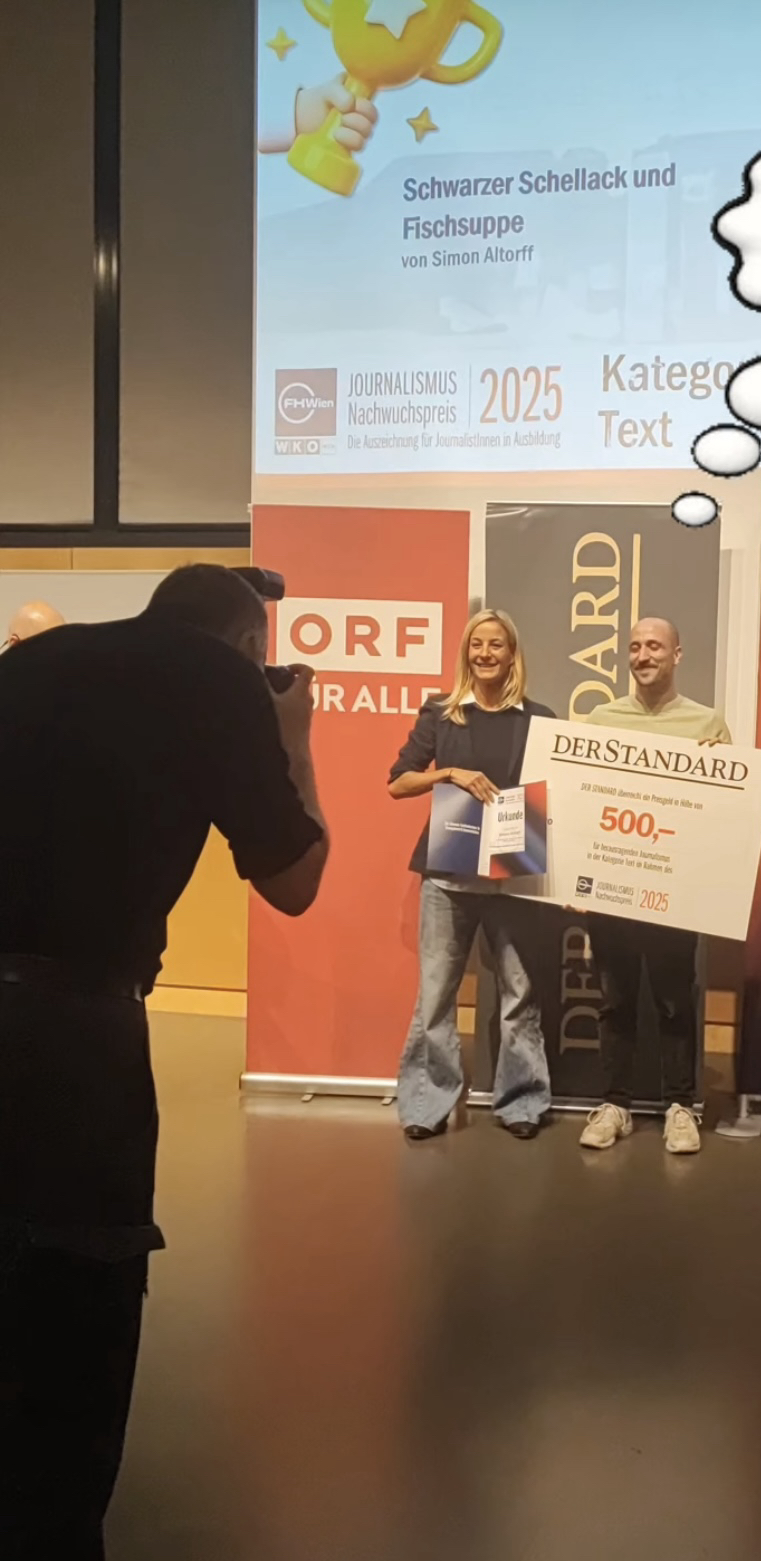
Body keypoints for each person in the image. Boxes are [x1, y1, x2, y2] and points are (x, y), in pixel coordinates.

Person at [0, 565, 328, 1558]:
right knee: (78, 1311)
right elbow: (294, 879)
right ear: (247, 642)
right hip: (77, 1032)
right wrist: (294, 734)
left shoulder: (39, 659)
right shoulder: (220, 681)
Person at [388, 610, 555, 1141]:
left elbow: (561, 793)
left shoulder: (540, 718)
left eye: (496, 644)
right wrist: (449, 773)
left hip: (516, 877)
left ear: (512, 654)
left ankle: (522, 1101)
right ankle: (425, 1105)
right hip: (447, 877)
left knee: (519, 994)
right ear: (466, 652)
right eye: (477, 644)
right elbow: (398, 782)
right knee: (436, 996)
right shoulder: (442, 713)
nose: (485, 653)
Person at [578, 617, 731, 1156]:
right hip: (613, 887)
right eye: (635, 647)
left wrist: (721, 771)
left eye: (655, 647)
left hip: (675, 893)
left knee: (673, 1003)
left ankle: (681, 1107)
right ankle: (614, 1105)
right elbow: (583, 801)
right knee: (615, 1001)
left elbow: (723, 813)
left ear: (677, 655)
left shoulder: (706, 723)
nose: (643, 656)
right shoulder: (601, 719)